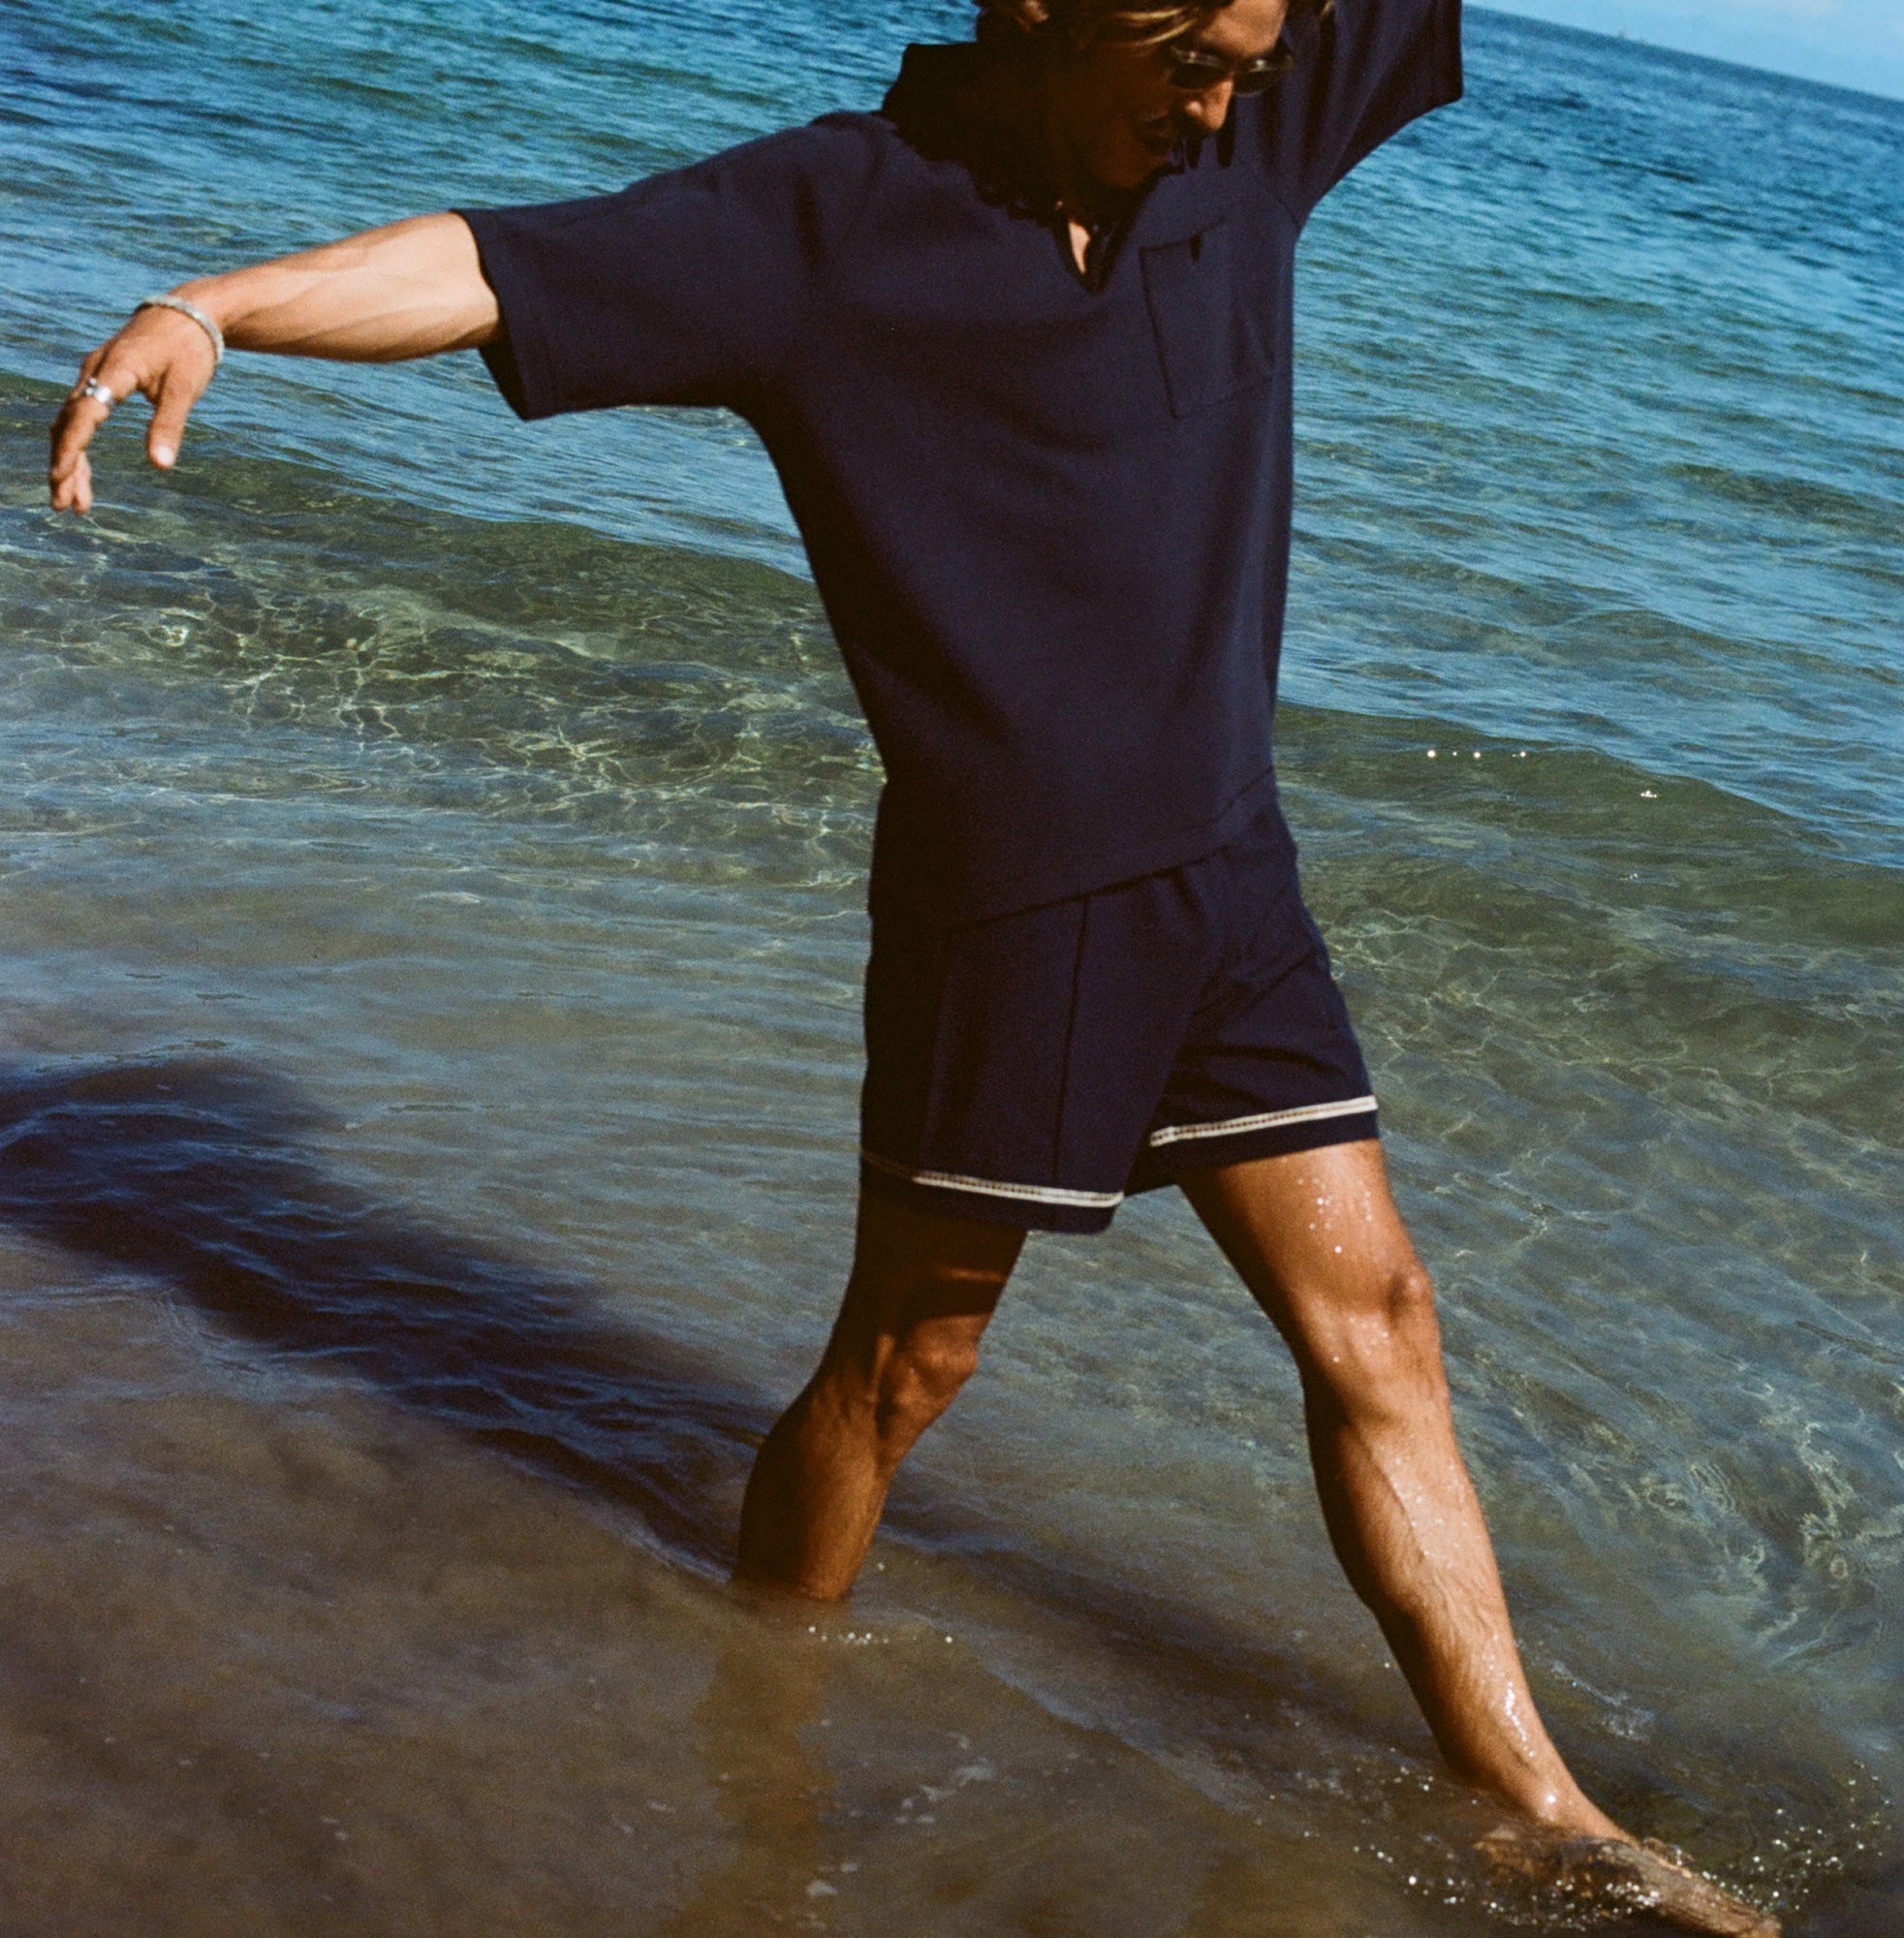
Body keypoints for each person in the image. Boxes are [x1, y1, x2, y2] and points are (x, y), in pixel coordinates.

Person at [47, 0, 1776, 1928]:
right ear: (1040, 13)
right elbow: (494, 265)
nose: (1221, 103)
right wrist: (219, 306)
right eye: (1185, 62)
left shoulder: (1248, 138)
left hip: (1232, 884)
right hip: (1016, 911)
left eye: (1249, 61)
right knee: (900, 1368)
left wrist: (1237, 72)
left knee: (1385, 1327)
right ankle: (757, 1682)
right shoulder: (830, 224)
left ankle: (1528, 1805)